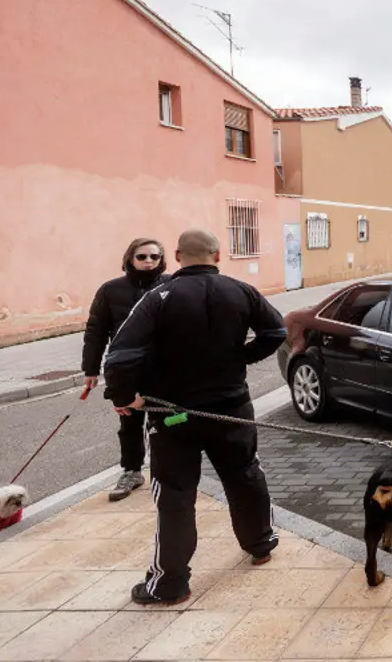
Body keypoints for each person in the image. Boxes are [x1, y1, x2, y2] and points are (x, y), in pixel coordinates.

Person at [104, 229, 287, 605]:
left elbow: (121, 354)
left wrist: (124, 398)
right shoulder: (241, 290)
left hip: (174, 416)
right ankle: (261, 543)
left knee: (174, 494)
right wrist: (242, 357)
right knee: (245, 474)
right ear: (217, 256)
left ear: (176, 255)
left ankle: (171, 583)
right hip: (232, 410)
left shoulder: (158, 298)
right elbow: (277, 331)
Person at [82, 238, 171, 502]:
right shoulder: (110, 290)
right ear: (130, 258)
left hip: (163, 367)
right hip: (127, 369)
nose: (148, 262)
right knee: (129, 422)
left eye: (154, 257)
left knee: (167, 421)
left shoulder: (171, 285)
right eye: (141, 256)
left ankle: (169, 471)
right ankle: (132, 471)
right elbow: (95, 332)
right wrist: (90, 369)